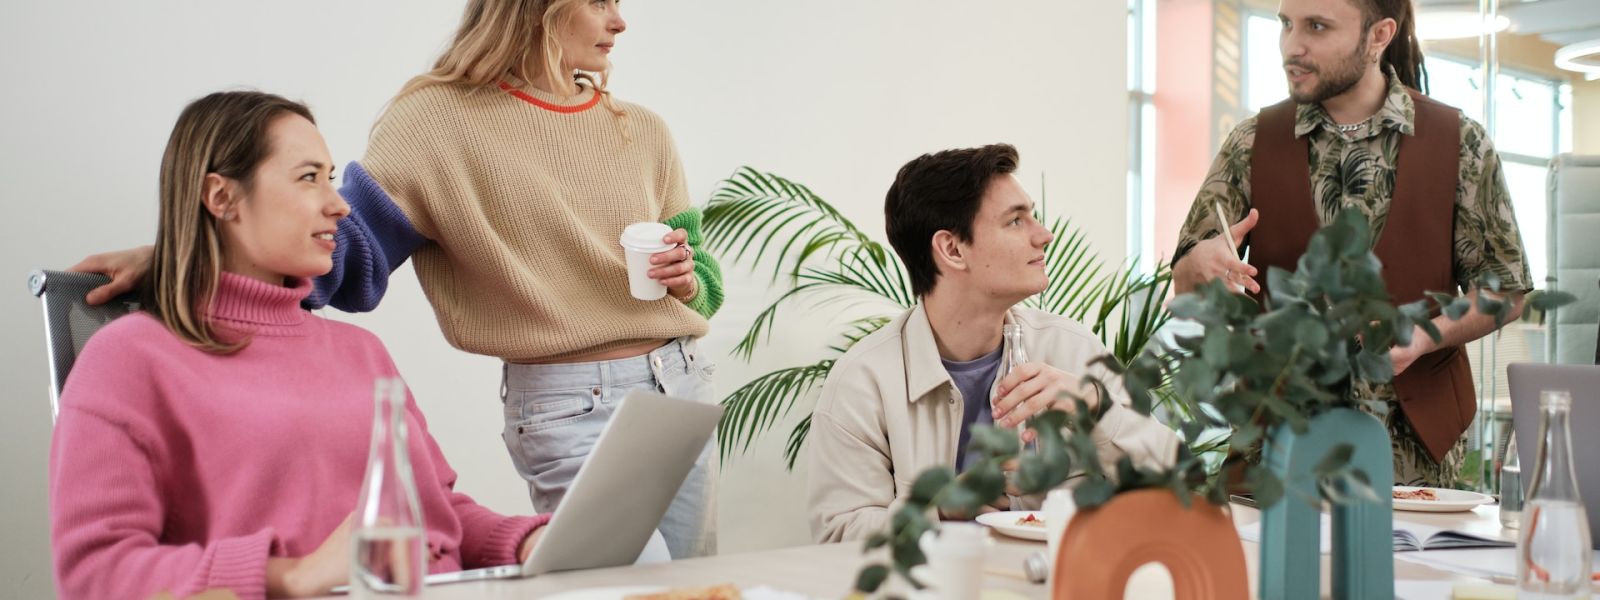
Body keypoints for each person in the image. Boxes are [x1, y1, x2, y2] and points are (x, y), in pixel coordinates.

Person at [73, 0, 723, 558]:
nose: (620, 20)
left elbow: (705, 281)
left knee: (698, 585)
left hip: (680, 382)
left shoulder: (641, 130)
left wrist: (689, 278)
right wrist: (177, 256)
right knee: (625, 585)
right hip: (567, 403)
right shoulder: (436, 122)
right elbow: (339, 250)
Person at [50, 91, 548, 600]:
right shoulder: (129, 358)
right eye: (309, 178)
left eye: (330, 178)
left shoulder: (362, 352)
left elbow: (432, 511)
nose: (339, 205)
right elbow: (96, 572)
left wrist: (529, 540)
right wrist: (292, 576)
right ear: (220, 197)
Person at [1170, 0, 1530, 487]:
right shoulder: (1249, 142)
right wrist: (1198, 267)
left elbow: (1505, 291)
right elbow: (1187, 282)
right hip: (1274, 450)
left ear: (1379, 35)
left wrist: (1423, 336)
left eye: (1316, 27)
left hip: (1417, 458)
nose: (1292, 46)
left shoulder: (1461, 143)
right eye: (1286, 24)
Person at [806, 144, 1179, 543]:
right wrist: (938, 511)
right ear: (952, 249)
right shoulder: (864, 380)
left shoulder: (1072, 350)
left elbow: (1179, 484)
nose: (1045, 235)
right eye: (1016, 221)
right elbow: (838, 534)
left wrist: (1096, 406)